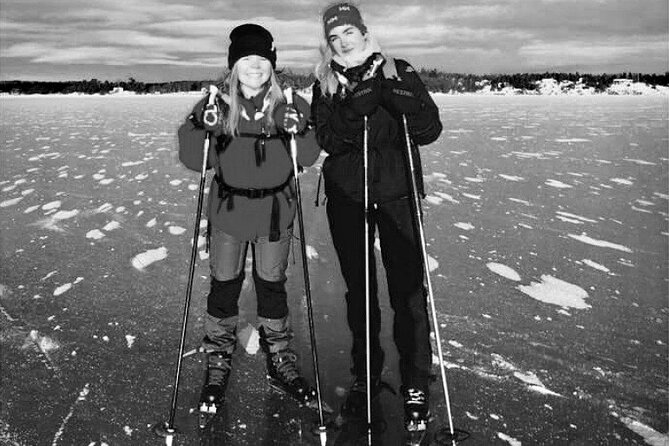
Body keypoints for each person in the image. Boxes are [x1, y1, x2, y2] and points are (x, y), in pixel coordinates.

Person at [311, 2, 443, 431]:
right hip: (348, 197)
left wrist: (410, 104)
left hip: (397, 194)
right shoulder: (326, 83)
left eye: (349, 32)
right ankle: (366, 376)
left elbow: (429, 130)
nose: (343, 41)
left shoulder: (398, 70)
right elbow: (328, 138)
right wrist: (355, 108)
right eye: (334, 36)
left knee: (408, 292)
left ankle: (415, 382)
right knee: (360, 292)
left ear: (365, 33)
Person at [177, 23, 321, 416]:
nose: (254, 67)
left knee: (271, 288)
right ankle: (218, 359)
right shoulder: (216, 105)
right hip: (229, 213)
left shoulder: (290, 103)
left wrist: (302, 127)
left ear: (271, 65)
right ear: (233, 66)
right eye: (246, 60)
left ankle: (280, 359)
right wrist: (197, 127)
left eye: (261, 60)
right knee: (224, 288)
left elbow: (307, 157)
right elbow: (196, 160)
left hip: (275, 213)